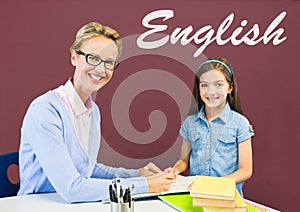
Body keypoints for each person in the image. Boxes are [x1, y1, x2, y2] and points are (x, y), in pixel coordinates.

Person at [17, 22, 174, 203]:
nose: (101, 69)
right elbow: (72, 189)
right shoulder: (46, 111)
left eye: (109, 63)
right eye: (93, 58)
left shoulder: (93, 110)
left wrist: (138, 174)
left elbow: (88, 169)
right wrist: (145, 185)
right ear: (74, 57)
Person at [166, 58, 254, 196]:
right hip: (196, 195)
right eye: (204, 85)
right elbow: (184, 160)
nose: (211, 91)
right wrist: (175, 170)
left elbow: (246, 169)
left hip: (228, 197)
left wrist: (214, 185)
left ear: (230, 88)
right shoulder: (190, 123)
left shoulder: (240, 123)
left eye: (218, 84)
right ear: (198, 88)